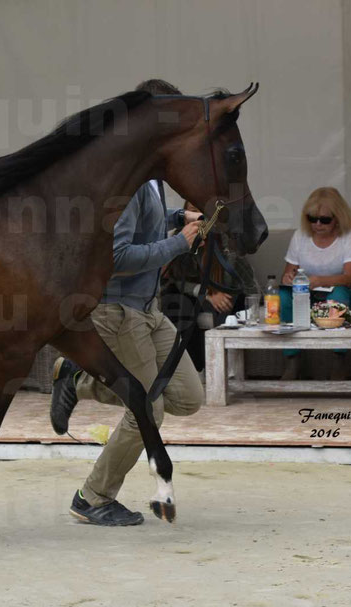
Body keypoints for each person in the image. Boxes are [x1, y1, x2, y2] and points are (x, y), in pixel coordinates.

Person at [49, 79, 206, 527]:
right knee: (146, 411)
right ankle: (92, 497)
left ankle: (77, 381)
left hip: (148, 308)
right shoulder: (127, 179)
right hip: (117, 309)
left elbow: (144, 228)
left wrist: (179, 218)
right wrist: (179, 243)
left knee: (187, 398)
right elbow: (114, 257)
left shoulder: (152, 176)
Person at [279, 187, 351, 380]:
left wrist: (318, 280)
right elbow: (288, 273)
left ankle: (338, 359)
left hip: (349, 298)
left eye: (325, 219)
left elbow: (348, 279)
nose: (317, 224)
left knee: (338, 295)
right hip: (309, 298)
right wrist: (288, 278)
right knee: (283, 295)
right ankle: (292, 359)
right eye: (312, 218)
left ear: (338, 218)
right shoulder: (300, 236)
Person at [161, 202, 256, 371]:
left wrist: (249, 305)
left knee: (230, 309)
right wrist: (206, 294)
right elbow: (175, 280)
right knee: (177, 302)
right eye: (192, 211)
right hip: (193, 295)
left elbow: (246, 282)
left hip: (227, 294)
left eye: (202, 212)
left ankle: (226, 370)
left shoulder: (228, 240)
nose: (197, 217)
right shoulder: (178, 237)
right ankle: (194, 368)